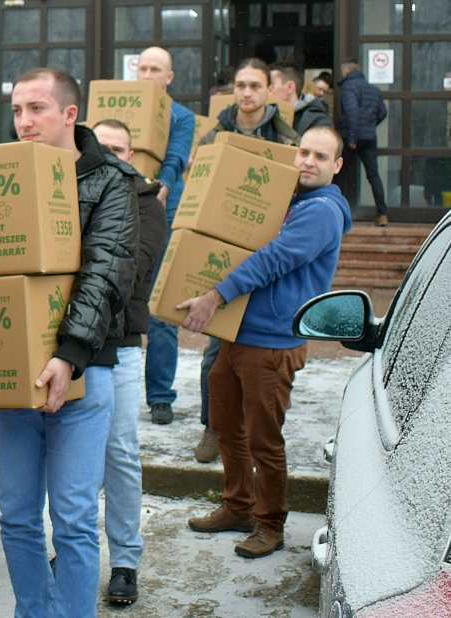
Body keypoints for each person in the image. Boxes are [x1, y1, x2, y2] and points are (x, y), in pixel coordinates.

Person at [0, 67, 138, 618]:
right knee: (15, 515)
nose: (24, 122)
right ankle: (33, 612)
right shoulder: (4, 174)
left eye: (37, 109)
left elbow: (107, 271)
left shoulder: (112, 181)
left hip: (85, 369)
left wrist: (70, 354)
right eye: (16, 111)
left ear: (70, 114)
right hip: (15, 369)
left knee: (74, 518)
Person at [180, 126, 351, 558]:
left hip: (274, 341)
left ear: (337, 165)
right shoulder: (287, 201)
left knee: (264, 438)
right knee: (225, 426)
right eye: (303, 152)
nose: (308, 161)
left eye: (320, 156)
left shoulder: (322, 210)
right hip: (239, 334)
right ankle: (237, 506)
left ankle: (269, 522)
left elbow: (274, 259)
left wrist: (215, 295)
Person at [192, 57, 300, 465]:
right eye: (241, 85)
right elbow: (196, 185)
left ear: (270, 90)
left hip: (267, 254)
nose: (247, 93)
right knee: (215, 350)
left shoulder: (288, 139)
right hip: (221, 250)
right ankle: (212, 428)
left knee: (260, 353)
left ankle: (260, 437)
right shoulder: (214, 135)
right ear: (232, 90)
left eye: (255, 85)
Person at [91, 119, 166, 605]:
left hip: (118, 347)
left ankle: (125, 562)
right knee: (69, 460)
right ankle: (73, 548)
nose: (113, 155)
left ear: (132, 154)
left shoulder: (147, 206)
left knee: (117, 453)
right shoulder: (74, 193)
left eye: (120, 148)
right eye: (104, 148)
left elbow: (129, 270)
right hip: (69, 348)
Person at [135, 47, 195, 427]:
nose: (147, 74)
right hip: (119, 208)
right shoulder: (124, 109)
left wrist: (164, 187)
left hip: (163, 208)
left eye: (155, 69)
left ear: (169, 77)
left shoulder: (181, 116)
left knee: (160, 309)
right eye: (142, 68)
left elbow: (175, 156)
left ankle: (160, 396)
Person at [335, 58, 389, 226]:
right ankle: (382, 214)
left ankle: (338, 213)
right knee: (373, 174)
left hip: (352, 137)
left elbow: (352, 112)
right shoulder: (373, 89)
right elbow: (382, 113)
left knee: (340, 173)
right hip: (369, 138)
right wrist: (369, 126)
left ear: (346, 71)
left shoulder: (349, 86)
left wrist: (352, 137)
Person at [270, 61, 332, 135]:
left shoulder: (317, 123)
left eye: (271, 84)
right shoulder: (265, 113)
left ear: (290, 87)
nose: (267, 90)